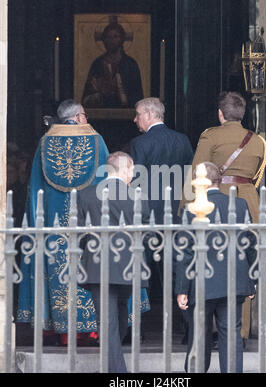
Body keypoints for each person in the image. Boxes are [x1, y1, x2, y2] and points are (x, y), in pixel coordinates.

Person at [17, 99, 109, 342]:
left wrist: (37, 223)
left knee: (59, 271)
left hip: (54, 223)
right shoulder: (96, 141)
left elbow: (34, 186)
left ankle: (61, 327)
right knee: (89, 268)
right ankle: (91, 327)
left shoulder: (45, 142)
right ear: (79, 117)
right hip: (89, 221)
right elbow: (106, 182)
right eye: (85, 115)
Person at [179, 91, 266, 342]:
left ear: (220, 114)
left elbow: (198, 172)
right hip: (249, 201)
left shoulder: (211, 136)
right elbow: (257, 176)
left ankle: (215, 330)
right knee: (245, 263)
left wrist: (186, 206)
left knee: (212, 258)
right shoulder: (259, 141)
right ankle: (239, 331)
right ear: (242, 114)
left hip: (214, 199)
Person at [175, 161, 256, 373]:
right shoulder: (240, 206)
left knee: (199, 336)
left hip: (202, 284)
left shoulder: (190, 211)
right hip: (234, 282)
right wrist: (251, 281)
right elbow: (249, 245)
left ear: (197, 183)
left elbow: (185, 253)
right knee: (231, 335)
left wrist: (182, 289)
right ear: (219, 181)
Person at [77, 151, 150, 372]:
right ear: (125, 168)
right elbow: (145, 232)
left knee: (108, 319)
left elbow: (79, 233)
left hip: (99, 265)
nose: (134, 173)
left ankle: (116, 369)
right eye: (132, 169)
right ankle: (116, 366)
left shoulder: (86, 195)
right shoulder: (138, 196)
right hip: (129, 266)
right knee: (119, 311)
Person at [130, 97, 194, 305]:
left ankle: (135, 325)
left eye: (137, 114)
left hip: (148, 217)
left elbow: (135, 183)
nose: (134, 119)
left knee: (140, 270)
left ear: (149, 115)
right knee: (180, 270)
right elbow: (191, 177)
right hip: (178, 214)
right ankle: (187, 327)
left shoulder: (140, 143)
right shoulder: (182, 140)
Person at [82, 21, 143, 108]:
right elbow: (87, 98)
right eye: (108, 37)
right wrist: (101, 92)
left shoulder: (130, 64)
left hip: (126, 115)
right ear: (104, 40)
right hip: (101, 115)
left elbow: (137, 96)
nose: (112, 40)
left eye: (115, 36)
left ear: (122, 39)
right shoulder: (98, 64)